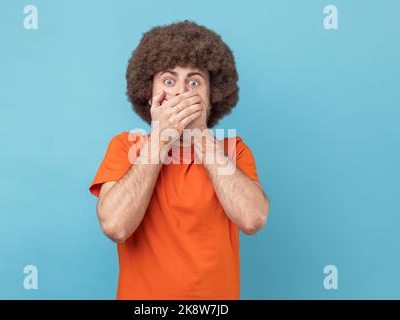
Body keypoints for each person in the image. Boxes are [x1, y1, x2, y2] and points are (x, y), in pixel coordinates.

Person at [89, 20, 269, 300]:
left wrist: (199, 135)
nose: (181, 91)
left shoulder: (233, 149)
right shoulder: (125, 146)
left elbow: (253, 219)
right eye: (169, 80)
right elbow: (115, 226)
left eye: (194, 82)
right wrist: (160, 136)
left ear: (212, 97)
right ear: (150, 94)